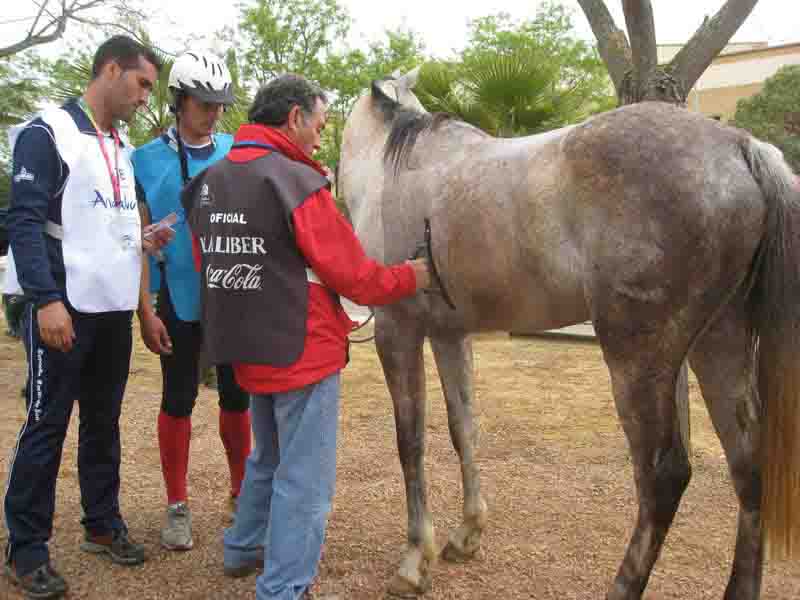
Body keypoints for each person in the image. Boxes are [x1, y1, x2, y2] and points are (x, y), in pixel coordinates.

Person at [181, 74, 432, 600]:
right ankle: (284, 587)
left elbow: (209, 264)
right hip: (301, 350)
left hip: (245, 346)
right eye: (318, 125)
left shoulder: (207, 181)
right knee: (305, 480)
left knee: (267, 457)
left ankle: (243, 547)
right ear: (294, 117)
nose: (320, 139)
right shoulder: (297, 184)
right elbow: (356, 277)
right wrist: (413, 276)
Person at [2, 35, 167, 600]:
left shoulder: (119, 143)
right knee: (46, 424)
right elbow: (25, 221)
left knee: (103, 421)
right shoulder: (48, 132)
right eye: (142, 84)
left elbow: (106, 222)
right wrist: (45, 298)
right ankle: (26, 549)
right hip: (63, 306)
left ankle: (101, 522)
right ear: (112, 70)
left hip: (112, 309)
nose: (145, 97)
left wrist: (143, 240)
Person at [131, 51, 251, 551]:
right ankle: (177, 506)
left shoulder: (237, 150)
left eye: (220, 104)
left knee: (238, 398)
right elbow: (134, 244)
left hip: (233, 300)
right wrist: (145, 310)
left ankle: (242, 497)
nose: (214, 113)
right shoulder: (143, 160)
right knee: (178, 399)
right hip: (177, 300)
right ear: (178, 101)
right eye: (205, 104)